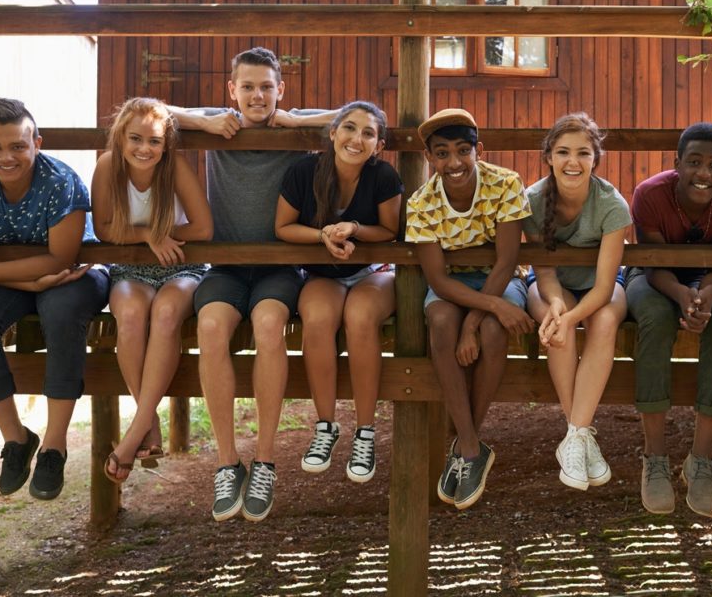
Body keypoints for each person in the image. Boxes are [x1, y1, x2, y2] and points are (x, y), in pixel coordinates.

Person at [170, 46, 338, 523]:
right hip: (224, 265)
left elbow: (359, 115)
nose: (257, 95)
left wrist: (291, 123)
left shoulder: (296, 121)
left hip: (278, 266)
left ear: (280, 89)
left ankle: (264, 460)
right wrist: (203, 124)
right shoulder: (218, 119)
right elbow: (152, 109)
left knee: (269, 326)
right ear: (232, 90)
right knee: (209, 328)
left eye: (267, 87)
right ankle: (227, 462)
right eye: (247, 87)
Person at [0, 98, 110, 500]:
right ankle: (16, 439)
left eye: (18, 146)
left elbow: (61, 258)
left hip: (75, 275)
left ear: (36, 143)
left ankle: (54, 447)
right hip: (18, 279)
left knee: (61, 314)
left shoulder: (61, 181)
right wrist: (28, 284)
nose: (6, 157)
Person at [405, 108, 534, 510]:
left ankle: (466, 447)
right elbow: (439, 282)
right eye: (442, 153)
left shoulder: (506, 184)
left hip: (501, 277)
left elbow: (507, 259)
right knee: (440, 319)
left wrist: (474, 324)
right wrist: (477, 315)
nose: (454, 162)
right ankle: (473, 448)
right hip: (454, 287)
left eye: (463, 150)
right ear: (430, 159)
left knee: (494, 331)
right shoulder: (421, 202)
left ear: (479, 149)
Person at [627, 122, 712, 518]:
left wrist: (708, 296)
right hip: (651, 275)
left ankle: (700, 460)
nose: (704, 173)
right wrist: (682, 296)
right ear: (677, 162)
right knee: (656, 316)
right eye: (694, 162)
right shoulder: (650, 194)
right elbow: (653, 264)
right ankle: (656, 458)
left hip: (707, 278)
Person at [275, 101, 402, 484]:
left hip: (372, 270)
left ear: (378, 145)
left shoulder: (383, 176)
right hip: (321, 272)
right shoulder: (304, 171)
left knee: (360, 317)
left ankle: (365, 432)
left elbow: (390, 230)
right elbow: (283, 227)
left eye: (368, 133)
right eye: (349, 128)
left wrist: (355, 229)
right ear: (333, 133)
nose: (356, 138)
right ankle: (325, 426)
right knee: (317, 319)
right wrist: (323, 235)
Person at [91, 97, 213, 483]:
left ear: (166, 143)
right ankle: (149, 423)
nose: (145, 149)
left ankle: (134, 435)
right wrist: (147, 235)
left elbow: (204, 228)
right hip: (132, 266)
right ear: (121, 138)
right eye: (136, 139)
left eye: (155, 141)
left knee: (164, 315)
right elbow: (106, 228)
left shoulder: (173, 167)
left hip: (182, 264)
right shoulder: (108, 166)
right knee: (128, 317)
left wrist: (164, 236)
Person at [522, 113, 630, 491]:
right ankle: (580, 436)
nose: (573, 161)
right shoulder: (533, 202)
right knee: (558, 326)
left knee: (602, 322)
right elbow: (545, 270)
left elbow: (603, 288)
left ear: (595, 159)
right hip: (552, 285)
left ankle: (574, 436)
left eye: (583, 153)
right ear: (548, 156)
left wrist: (572, 318)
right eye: (563, 152)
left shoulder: (611, 204)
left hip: (600, 287)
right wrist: (556, 308)